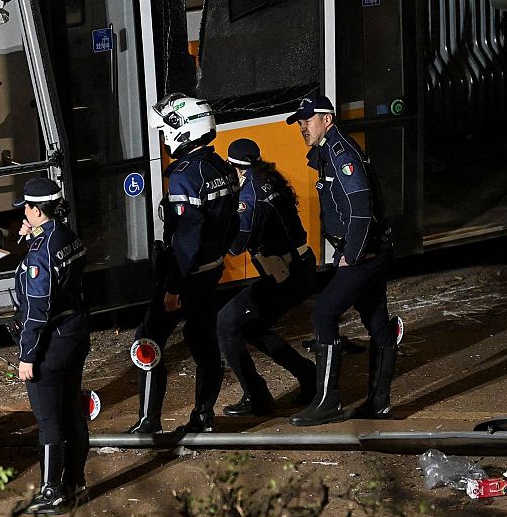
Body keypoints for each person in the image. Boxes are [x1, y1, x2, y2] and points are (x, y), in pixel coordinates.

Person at [285, 93, 398, 425]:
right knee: (377, 323)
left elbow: (361, 212)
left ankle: (327, 402)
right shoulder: (327, 152)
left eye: (307, 121)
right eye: (300, 122)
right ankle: (379, 403)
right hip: (369, 251)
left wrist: (351, 255)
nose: (302, 127)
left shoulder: (340, 154)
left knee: (324, 312)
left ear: (327, 120)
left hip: (366, 254)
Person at [129, 93, 237, 434]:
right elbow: (233, 225)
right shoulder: (222, 167)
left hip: (184, 277)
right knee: (203, 342)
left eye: (165, 130)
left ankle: (148, 421)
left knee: (147, 340)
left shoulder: (184, 177)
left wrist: (172, 289)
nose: (163, 137)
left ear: (184, 130)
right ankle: (204, 415)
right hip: (212, 272)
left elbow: (186, 241)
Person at [216, 138, 319, 416]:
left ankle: (257, 396)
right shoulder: (265, 178)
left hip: (287, 275)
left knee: (226, 323)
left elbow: (236, 246)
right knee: (251, 326)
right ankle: (308, 374)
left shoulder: (249, 196)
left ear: (235, 167)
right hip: (298, 268)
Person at [10, 177, 90, 516]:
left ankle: (51, 491)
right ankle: (74, 482)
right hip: (75, 332)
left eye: (27, 207)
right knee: (71, 409)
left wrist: (27, 356)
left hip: (51, 341)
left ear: (36, 210)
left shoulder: (40, 255)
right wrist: (31, 240)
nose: (23, 212)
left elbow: (37, 310)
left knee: (48, 418)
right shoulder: (66, 236)